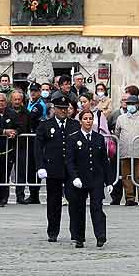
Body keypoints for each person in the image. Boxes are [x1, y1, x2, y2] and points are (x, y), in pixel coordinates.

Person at [65, 105, 111, 247]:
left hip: (96, 178)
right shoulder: (73, 138)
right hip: (80, 178)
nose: (88, 121)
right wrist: (74, 177)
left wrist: (109, 181)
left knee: (97, 207)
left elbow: (104, 161)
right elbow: (69, 161)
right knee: (79, 208)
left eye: (90, 119)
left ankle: (100, 235)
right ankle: (79, 237)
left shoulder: (98, 138)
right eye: (85, 119)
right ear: (80, 121)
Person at [35, 93, 78, 241]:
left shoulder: (74, 125)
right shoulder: (45, 126)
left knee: (74, 201)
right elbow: (38, 148)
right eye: (60, 108)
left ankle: (76, 232)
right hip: (53, 169)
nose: (63, 111)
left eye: (66, 108)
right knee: (53, 202)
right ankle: (53, 232)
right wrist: (40, 166)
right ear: (54, 109)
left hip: (71, 170)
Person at [112, 92, 139, 207]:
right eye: (128, 103)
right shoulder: (121, 119)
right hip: (125, 152)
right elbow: (117, 133)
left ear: (137, 105)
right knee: (126, 176)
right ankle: (129, 198)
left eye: (133, 104)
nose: (130, 106)